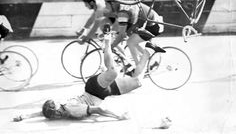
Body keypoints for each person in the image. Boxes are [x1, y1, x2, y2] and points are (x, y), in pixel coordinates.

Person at [13, 25, 165, 122]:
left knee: (113, 71)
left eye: (56, 113)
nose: (57, 115)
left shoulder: (71, 108)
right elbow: (43, 112)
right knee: (138, 82)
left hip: (94, 88)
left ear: (59, 107)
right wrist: (25, 116)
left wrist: (118, 116)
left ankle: (106, 41)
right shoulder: (57, 110)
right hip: (102, 94)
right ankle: (149, 50)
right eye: (55, 115)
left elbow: (99, 110)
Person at [104, 0, 164, 67]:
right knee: (129, 40)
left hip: (155, 25)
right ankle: (150, 60)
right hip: (149, 23)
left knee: (130, 42)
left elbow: (122, 34)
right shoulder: (121, 7)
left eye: (106, 4)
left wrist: (110, 47)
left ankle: (139, 67)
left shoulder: (123, 12)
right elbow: (120, 27)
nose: (106, 7)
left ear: (112, 3)